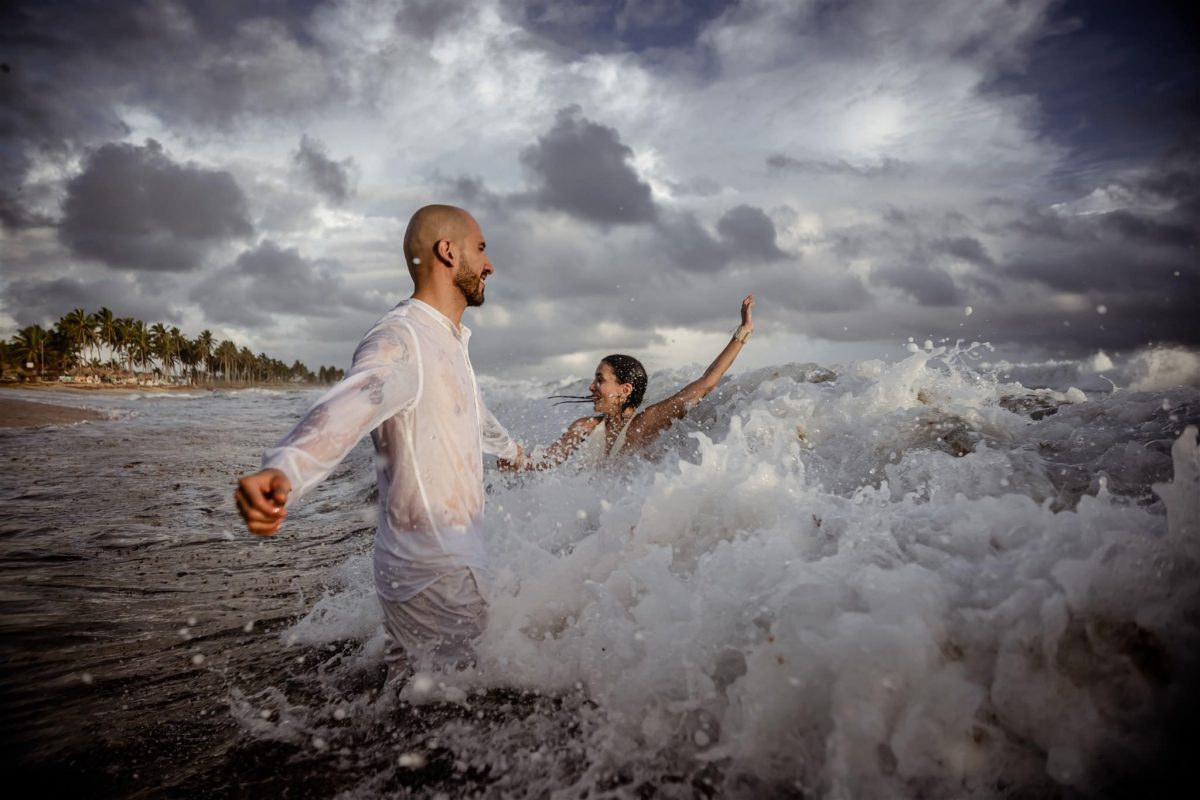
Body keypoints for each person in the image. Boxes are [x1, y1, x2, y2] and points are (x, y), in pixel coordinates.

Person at [234, 204, 524, 675]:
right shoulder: (403, 338)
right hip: (437, 571)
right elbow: (350, 405)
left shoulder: (446, 341)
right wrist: (283, 470)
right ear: (448, 252)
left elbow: (473, 411)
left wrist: (513, 452)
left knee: (417, 703)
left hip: (435, 566)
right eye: (482, 249)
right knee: (450, 715)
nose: (490, 265)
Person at [504, 295, 754, 470]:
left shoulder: (643, 425)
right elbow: (541, 463)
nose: (591, 387)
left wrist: (742, 332)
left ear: (625, 390)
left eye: (600, 380)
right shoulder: (585, 428)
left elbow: (705, 383)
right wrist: (514, 461)